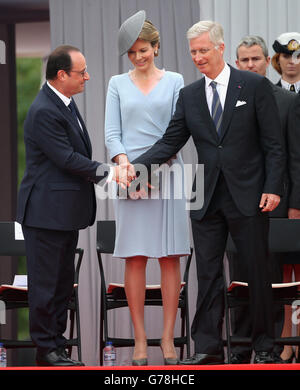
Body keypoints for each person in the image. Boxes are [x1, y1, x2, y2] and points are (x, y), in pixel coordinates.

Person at [131, 20, 285, 365]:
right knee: (208, 273)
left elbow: (274, 145)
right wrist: (135, 167)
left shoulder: (254, 86)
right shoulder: (188, 95)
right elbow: (170, 142)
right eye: (193, 52)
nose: (198, 57)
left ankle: (263, 346)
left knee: (257, 272)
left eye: (203, 50)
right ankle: (208, 346)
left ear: (219, 48)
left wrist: (273, 188)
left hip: (250, 194)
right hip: (206, 197)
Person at [16, 45, 130, 366]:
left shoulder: (63, 103)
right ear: (61, 74)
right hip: (45, 214)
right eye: (81, 72)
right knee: (47, 284)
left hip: (62, 214)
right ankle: (46, 349)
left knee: (62, 284)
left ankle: (57, 344)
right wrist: (108, 171)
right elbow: (66, 158)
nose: (87, 77)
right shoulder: (44, 110)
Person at [104, 11, 190, 366]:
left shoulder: (175, 80)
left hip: (168, 173)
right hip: (128, 178)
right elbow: (112, 133)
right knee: (135, 257)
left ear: (157, 47)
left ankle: (168, 339)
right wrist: (126, 167)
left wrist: (152, 168)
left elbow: (177, 129)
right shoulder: (116, 83)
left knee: (169, 257)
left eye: (144, 50)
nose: (139, 57)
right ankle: (140, 341)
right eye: (133, 52)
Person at [227, 35, 300, 364]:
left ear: (266, 60)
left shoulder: (284, 100)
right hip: (235, 208)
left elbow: (293, 159)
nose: (250, 65)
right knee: (240, 279)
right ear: (237, 62)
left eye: (256, 59)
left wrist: (295, 203)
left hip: (276, 208)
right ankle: (241, 348)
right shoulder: (225, 99)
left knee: (272, 282)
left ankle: (269, 350)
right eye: (244, 60)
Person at [271, 32, 300, 363]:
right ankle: (287, 339)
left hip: (295, 197)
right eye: (287, 55)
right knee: (283, 275)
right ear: (276, 59)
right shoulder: (268, 94)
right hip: (280, 198)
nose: (293, 61)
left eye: (298, 55)